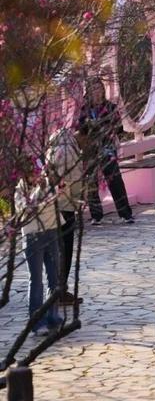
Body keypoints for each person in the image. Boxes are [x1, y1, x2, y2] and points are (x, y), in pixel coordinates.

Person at [15, 163, 64, 337]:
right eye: (31, 174)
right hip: (32, 237)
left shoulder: (48, 186)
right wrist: (38, 191)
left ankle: (53, 316)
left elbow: (55, 200)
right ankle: (37, 322)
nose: (35, 176)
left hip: (51, 232)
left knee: (54, 277)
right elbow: (29, 209)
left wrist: (50, 184)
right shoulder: (20, 192)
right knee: (36, 280)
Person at [77, 77, 134, 225]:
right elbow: (80, 129)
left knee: (115, 180)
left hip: (107, 148)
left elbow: (120, 128)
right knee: (91, 183)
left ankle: (125, 213)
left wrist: (106, 128)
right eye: (94, 89)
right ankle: (96, 215)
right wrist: (88, 125)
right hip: (91, 149)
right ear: (88, 92)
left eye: (99, 89)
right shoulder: (84, 109)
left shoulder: (110, 107)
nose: (97, 92)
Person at [46, 124, 85, 305]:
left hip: (55, 205)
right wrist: (76, 200)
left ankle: (58, 288)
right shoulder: (68, 151)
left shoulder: (55, 147)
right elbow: (68, 180)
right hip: (65, 206)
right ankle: (59, 290)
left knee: (58, 250)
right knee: (65, 250)